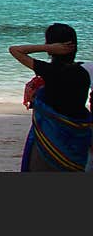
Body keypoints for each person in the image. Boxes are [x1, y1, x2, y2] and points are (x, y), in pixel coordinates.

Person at [9, 23, 91, 171]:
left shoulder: (50, 71)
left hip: (50, 140)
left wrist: (47, 48)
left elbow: (15, 50)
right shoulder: (82, 73)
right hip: (77, 141)